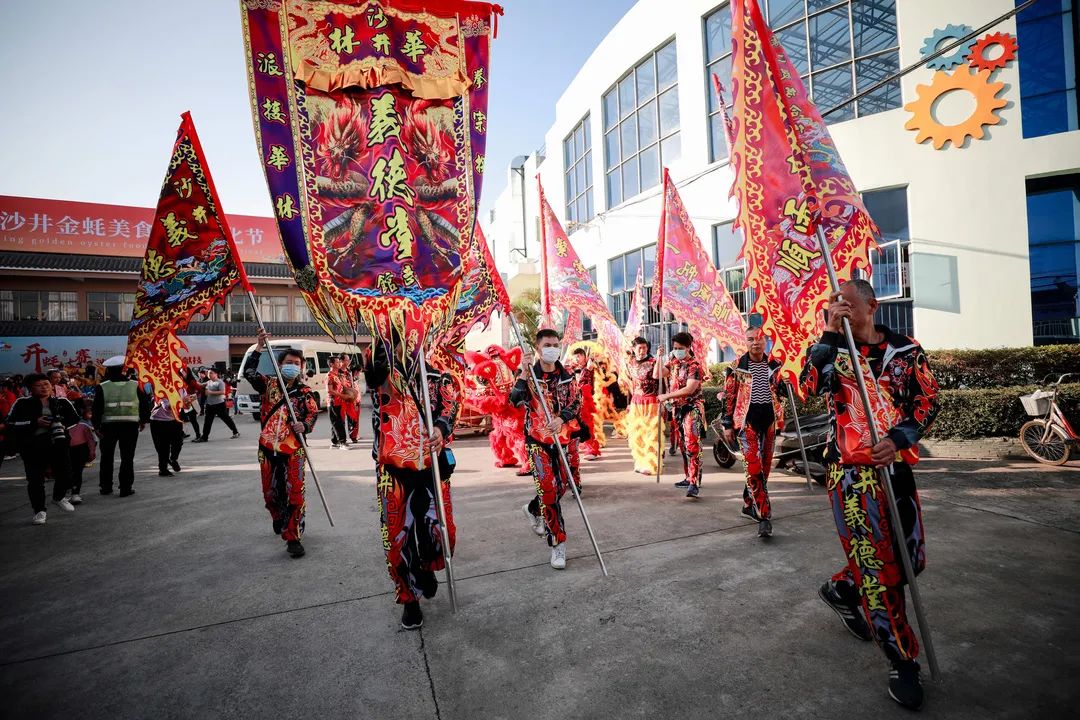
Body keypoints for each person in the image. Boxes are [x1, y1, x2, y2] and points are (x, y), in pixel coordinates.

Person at [801, 279, 940, 711]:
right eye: (832, 303)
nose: (838, 307)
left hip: (895, 466)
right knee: (880, 574)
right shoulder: (829, 349)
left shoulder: (905, 349)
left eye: (846, 302)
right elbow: (808, 390)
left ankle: (842, 588)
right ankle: (902, 661)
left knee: (909, 558)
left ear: (871, 306)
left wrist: (900, 438)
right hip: (850, 474)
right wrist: (827, 334)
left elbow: (927, 401)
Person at [365, 339, 461, 630]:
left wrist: (441, 428)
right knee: (396, 538)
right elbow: (372, 373)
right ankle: (409, 600)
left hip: (431, 466)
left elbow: (451, 404)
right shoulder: (381, 365)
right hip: (392, 469)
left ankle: (425, 565)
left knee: (441, 533)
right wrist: (385, 344)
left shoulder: (437, 373)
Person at [510, 329, 583, 570]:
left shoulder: (567, 375)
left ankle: (533, 508)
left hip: (562, 440)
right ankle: (557, 544)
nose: (552, 347)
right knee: (549, 490)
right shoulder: (528, 375)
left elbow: (576, 403)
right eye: (547, 344)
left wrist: (562, 418)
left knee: (563, 486)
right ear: (538, 347)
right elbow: (514, 400)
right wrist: (522, 372)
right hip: (537, 441)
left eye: (555, 344)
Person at [244, 330, 319, 558]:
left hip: (294, 450)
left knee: (295, 493)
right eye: (289, 362)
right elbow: (248, 372)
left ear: (302, 367)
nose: (293, 366)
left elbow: (312, 415)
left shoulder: (306, 392)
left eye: (297, 363)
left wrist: (304, 426)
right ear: (280, 364)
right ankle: (278, 516)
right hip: (267, 448)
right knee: (270, 493)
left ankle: (293, 536)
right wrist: (258, 347)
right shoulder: (268, 384)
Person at [722, 325, 786, 538]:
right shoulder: (737, 366)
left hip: (769, 421)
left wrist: (786, 386)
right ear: (746, 341)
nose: (755, 343)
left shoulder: (776, 365)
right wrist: (727, 424)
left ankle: (749, 503)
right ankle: (764, 516)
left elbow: (781, 392)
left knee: (764, 469)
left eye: (759, 339)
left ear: (765, 340)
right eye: (751, 339)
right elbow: (729, 396)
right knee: (755, 467)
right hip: (746, 422)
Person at [6, 373, 80, 524]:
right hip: (32, 447)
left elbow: (75, 419)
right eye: (39, 386)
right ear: (31, 388)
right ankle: (39, 511)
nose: (44, 388)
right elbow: (10, 423)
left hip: (58, 444)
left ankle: (58, 498)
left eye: (46, 384)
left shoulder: (62, 401)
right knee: (35, 480)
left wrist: (61, 423)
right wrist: (35, 422)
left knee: (66, 474)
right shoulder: (22, 403)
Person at [656, 331, 705, 498]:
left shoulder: (695, 365)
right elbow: (658, 374)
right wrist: (659, 358)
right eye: (675, 348)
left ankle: (694, 482)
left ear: (689, 347)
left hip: (692, 408)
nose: (677, 351)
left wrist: (667, 396)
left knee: (692, 444)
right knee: (684, 446)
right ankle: (688, 477)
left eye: (680, 348)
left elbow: (690, 389)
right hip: (677, 409)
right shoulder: (674, 362)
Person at [93, 356, 150, 497]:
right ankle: (125, 487)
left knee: (106, 457)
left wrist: (96, 426)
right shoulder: (135, 385)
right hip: (130, 426)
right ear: (124, 370)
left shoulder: (102, 386)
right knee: (127, 457)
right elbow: (144, 405)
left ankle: (105, 487)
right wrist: (143, 421)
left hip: (107, 427)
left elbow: (96, 409)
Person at [626, 337, 662, 475]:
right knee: (637, 433)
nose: (642, 350)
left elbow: (660, 380)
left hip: (651, 401)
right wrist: (629, 403)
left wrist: (659, 357)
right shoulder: (631, 363)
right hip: (636, 402)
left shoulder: (654, 362)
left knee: (651, 433)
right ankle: (640, 461)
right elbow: (631, 384)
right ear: (634, 349)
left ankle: (651, 463)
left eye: (644, 347)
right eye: (639, 348)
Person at [567, 348, 602, 460]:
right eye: (575, 356)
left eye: (579, 356)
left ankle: (592, 448)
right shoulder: (572, 369)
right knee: (575, 424)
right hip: (574, 399)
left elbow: (591, 365)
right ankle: (581, 444)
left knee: (587, 423)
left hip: (585, 399)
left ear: (584, 356)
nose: (577, 358)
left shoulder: (589, 366)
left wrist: (590, 358)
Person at [192, 368, 239, 442]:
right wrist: (192, 379)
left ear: (216, 374)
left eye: (211, 373)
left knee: (226, 419)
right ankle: (204, 437)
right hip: (210, 405)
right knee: (207, 421)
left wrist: (210, 392)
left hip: (219, 404)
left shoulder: (220, 382)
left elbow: (222, 392)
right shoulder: (208, 382)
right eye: (208, 373)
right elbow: (200, 385)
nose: (209, 374)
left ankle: (235, 432)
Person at [66, 398, 96, 505]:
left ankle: (74, 493)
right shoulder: (84, 425)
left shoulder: (84, 425)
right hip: (73, 448)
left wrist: (91, 452)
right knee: (75, 472)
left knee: (75, 471)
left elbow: (92, 440)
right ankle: (74, 493)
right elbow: (93, 441)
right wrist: (91, 452)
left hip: (78, 449)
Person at [148, 392, 185, 477]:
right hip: (159, 421)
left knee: (178, 442)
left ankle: (173, 459)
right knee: (163, 446)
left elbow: (185, 398)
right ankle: (163, 469)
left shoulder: (180, 386)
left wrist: (188, 401)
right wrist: (181, 403)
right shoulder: (160, 389)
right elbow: (167, 407)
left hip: (175, 419)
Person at [326, 355, 354, 449]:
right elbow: (330, 390)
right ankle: (342, 442)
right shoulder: (329, 376)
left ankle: (334, 442)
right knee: (338, 422)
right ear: (331, 364)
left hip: (340, 402)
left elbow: (341, 387)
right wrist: (342, 396)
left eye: (339, 362)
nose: (339, 363)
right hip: (333, 402)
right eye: (337, 362)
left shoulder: (337, 375)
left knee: (337, 421)